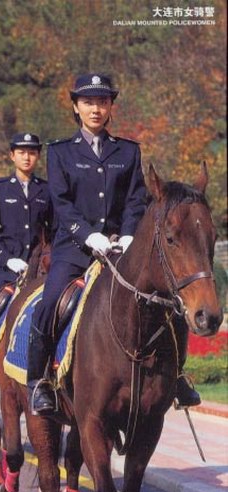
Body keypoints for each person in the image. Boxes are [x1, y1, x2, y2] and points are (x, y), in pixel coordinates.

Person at [27, 72, 200, 414]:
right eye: (88, 102)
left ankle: (178, 376)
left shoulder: (127, 150)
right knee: (49, 303)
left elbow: (137, 199)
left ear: (110, 108)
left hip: (122, 251)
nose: (96, 109)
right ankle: (40, 382)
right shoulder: (60, 152)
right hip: (74, 250)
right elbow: (61, 203)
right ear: (76, 107)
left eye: (102, 102)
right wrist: (89, 235)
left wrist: (129, 236)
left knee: (169, 305)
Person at [0, 132, 53, 384]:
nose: (27, 157)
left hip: (39, 270)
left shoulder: (46, 190)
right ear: (12, 155)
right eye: (22, 152)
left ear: (37, 156)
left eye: (32, 152)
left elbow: (53, 230)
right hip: (7, 268)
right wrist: (8, 259)